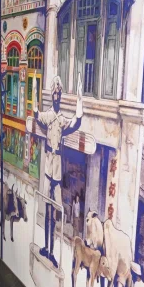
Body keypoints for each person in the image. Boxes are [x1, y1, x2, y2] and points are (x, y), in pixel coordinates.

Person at [33, 75, 83, 266]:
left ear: (60, 97)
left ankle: (52, 249)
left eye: (58, 94)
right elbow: (37, 115)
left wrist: (79, 99)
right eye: (54, 93)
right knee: (46, 209)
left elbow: (76, 122)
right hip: (48, 167)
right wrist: (35, 92)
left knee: (54, 210)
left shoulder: (61, 120)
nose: (56, 96)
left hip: (57, 171)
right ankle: (46, 247)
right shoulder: (48, 116)